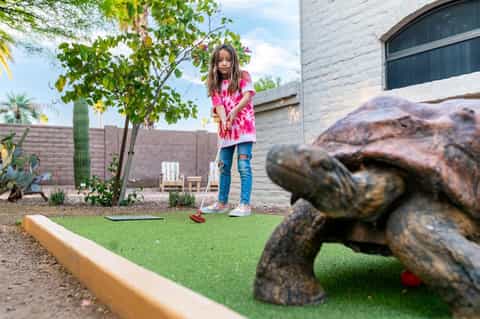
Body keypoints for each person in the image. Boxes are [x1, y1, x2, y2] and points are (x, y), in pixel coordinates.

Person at [200, 43, 256, 217]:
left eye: (228, 59)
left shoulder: (243, 76)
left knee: (243, 165)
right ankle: (222, 203)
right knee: (223, 166)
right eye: (220, 60)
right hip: (228, 130)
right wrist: (224, 120)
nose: (224, 63)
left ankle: (245, 205)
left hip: (244, 128)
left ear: (233, 61)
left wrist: (235, 111)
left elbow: (247, 96)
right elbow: (218, 106)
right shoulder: (214, 84)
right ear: (215, 64)